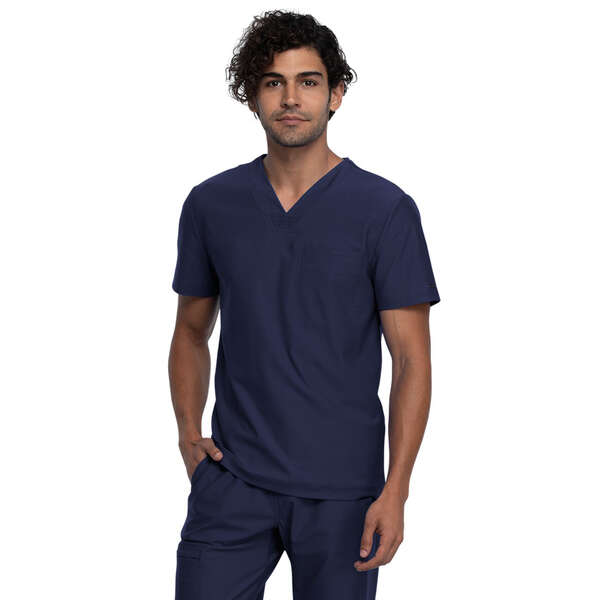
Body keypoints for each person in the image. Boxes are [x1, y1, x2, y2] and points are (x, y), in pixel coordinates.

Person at [168, 10, 440, 600]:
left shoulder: (385, 210)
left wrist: (396, 489)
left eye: (308, 82)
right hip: (233, 482)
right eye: (274, 82)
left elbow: (411, 361)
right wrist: (190, 435)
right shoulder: (211, 204)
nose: (291, 98)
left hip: (344, 492)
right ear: (252, 96)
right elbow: (190, 330)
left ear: (335, 94)